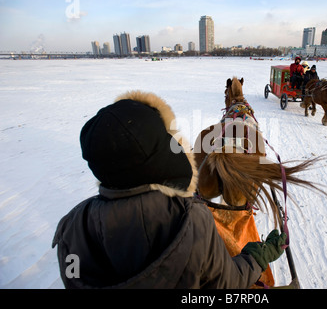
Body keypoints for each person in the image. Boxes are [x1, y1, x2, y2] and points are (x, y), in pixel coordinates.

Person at [52, 91, 286, 289]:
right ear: (159, 153)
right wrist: (259, 256)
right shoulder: (192, 220)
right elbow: (228, 281)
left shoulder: (70, 229)